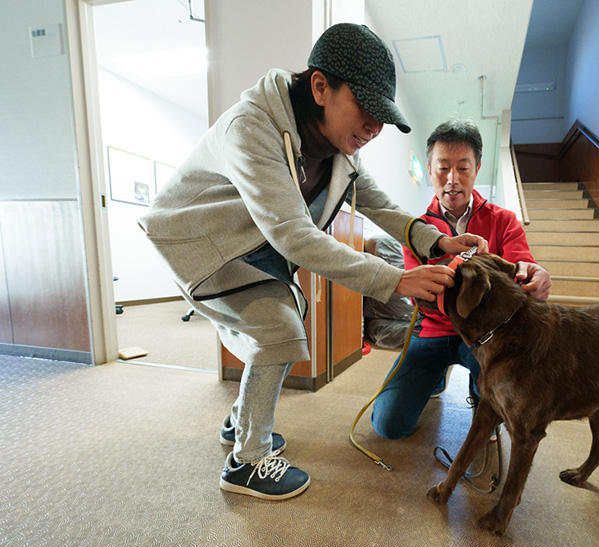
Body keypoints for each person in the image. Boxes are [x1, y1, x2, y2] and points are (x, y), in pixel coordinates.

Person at [138, 24, 487, 501]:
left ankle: (243, 422)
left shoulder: (339, 150)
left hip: (252, 245)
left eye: (381, 118)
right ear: (321, 87)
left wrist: (434, 241)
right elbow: (293, 234)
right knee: (277, 331)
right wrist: (396, 280)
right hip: (203, 240)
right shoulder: (252, 127)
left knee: (283, 324)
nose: (373, 127)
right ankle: (247, 461)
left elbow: (379, 204)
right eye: (366, 110)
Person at [370, 119, 551, 440]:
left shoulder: (504, 220)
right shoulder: (414, 228)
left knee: (494, 421)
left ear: (477, 169)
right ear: (429, 170)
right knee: (388, 426)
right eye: (442, 168)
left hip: (485, 338)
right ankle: (435, 376)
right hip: (431, 334)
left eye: (463, 168)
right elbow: (418, 298)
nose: (452, 179)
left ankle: (476, 383)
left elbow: (520, 267)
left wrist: (532, 275)